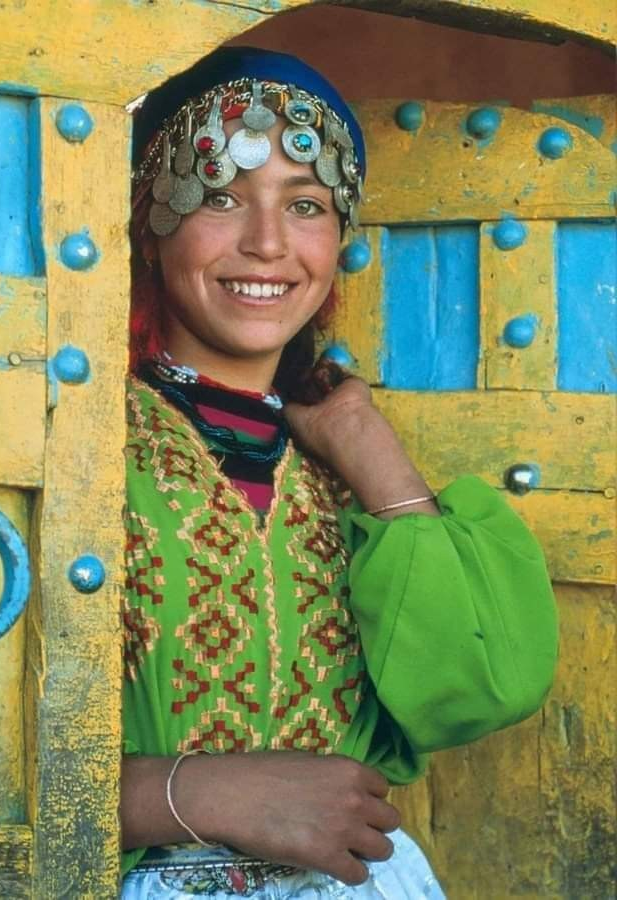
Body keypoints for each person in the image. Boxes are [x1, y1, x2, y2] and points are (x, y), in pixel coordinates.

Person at [120, 46, 558, 899]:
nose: (269, 244)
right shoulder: (76, 442)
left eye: (307, 204)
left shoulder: (338, 464)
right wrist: (178, 792)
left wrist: (370, 450)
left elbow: (483, 689)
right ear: (149, 219)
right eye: (218, 197)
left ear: (340, 237)